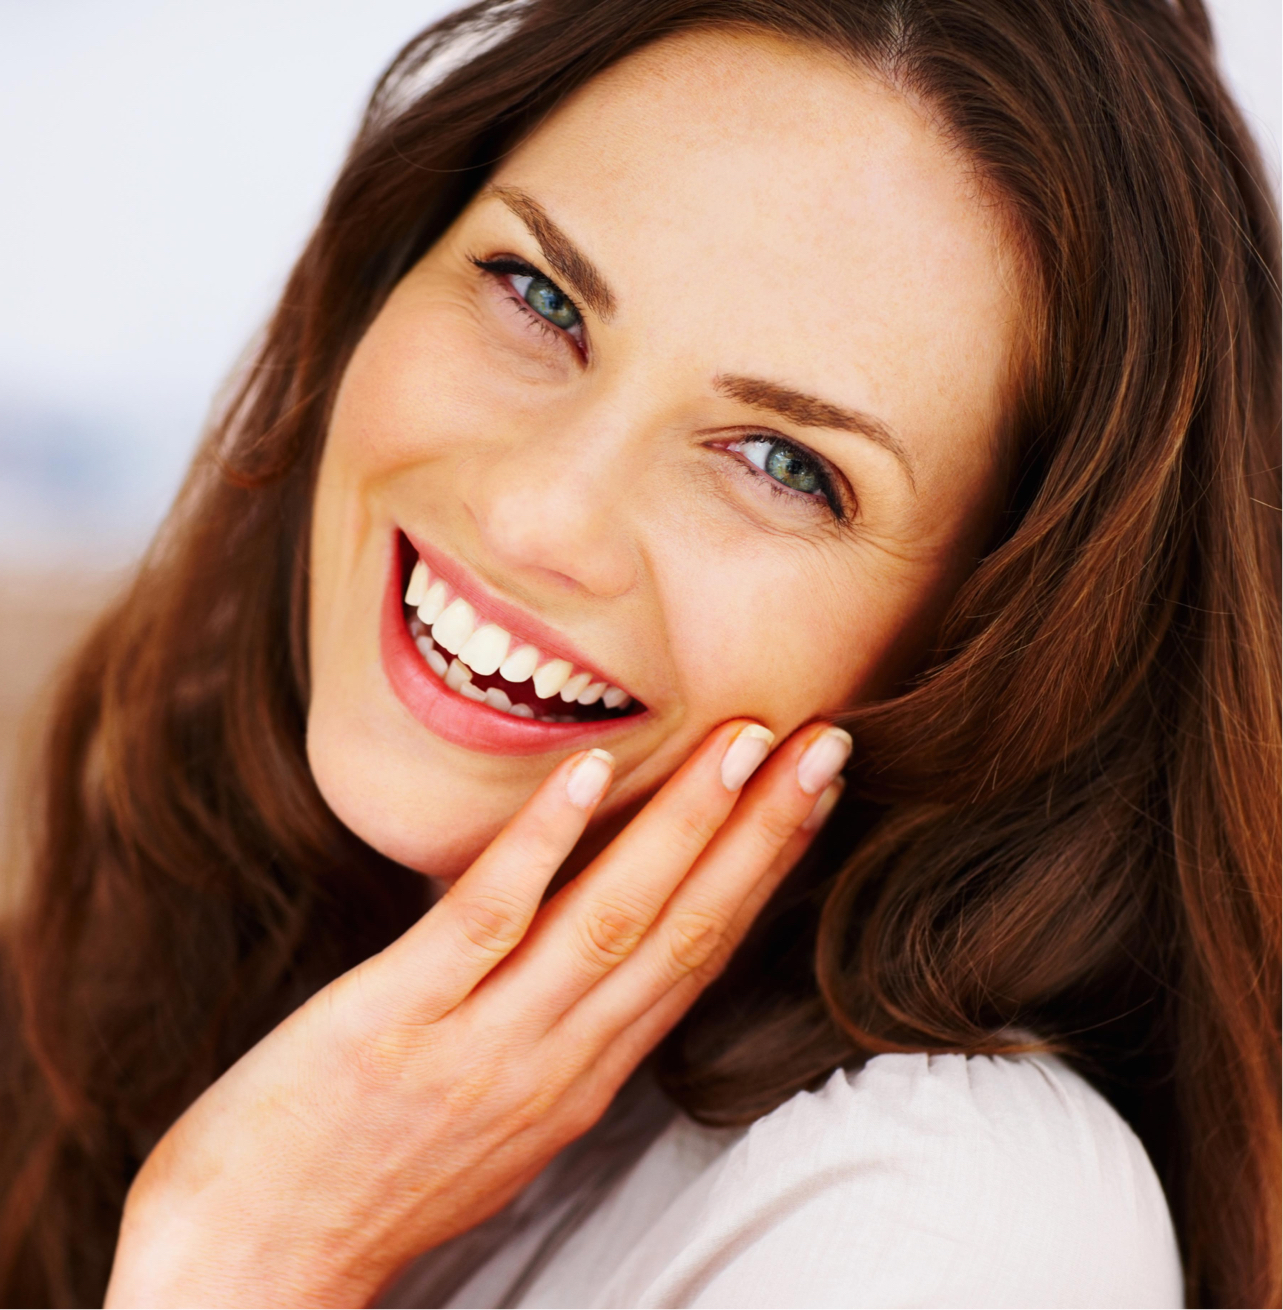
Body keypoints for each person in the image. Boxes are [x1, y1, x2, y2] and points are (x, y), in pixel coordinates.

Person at [1, 0, 1277, 1305]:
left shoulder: (963, 1211)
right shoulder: (180, 937)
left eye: (784, 465)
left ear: (996, 647)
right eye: (536, 294)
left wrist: (241, 1253)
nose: (535, 511)